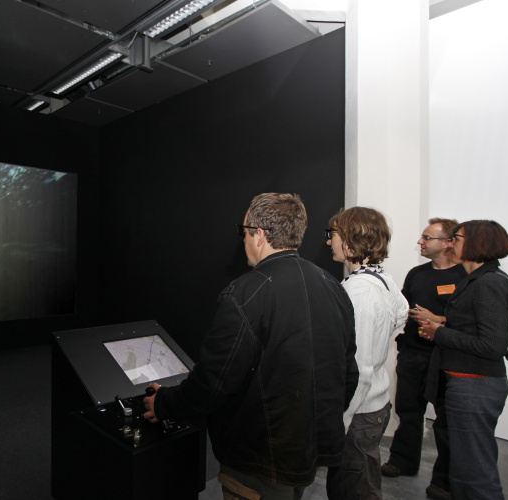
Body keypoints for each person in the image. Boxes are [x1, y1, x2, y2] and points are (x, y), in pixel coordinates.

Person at [142, 193, 359, 500]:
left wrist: (163, 403)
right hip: (306, 454)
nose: (242, 240)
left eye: (244, 232)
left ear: (259, 234)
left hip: (259, 462)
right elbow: (348, 374)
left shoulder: (244, 293)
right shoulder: (332, 286)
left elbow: (214, 382)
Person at [419, 220, 508, 500]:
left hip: (475, 385)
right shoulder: (478, 279)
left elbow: (493, 345)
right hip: (466, 383)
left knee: (475, 472)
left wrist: (441, 333)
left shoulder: (490, 283)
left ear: (477, 243)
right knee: (464, 467)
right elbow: (476, 326)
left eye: (456, 239)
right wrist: (443, 323)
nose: (450, 244)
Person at [325, 207, 409, 500]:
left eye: (331, 234)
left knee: (354, 490)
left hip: (359, 413)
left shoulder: (359, 293)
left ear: (349, 239)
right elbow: (402, 313)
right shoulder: (381, 278)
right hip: (375, 405)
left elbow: (358, 369)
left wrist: (341, 423)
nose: (328, 242)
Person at [381, 218, 466, 500]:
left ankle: (442, 480)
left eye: (427, 238)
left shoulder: (465, 277)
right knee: (408, 411)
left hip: (446, 357)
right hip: (414, 354)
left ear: (448, 243)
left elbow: (469, 321)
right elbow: (403, 308)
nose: (421, 242)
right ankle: (402, 462)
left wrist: (438, 320)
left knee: (445, 421)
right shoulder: (417, 274)